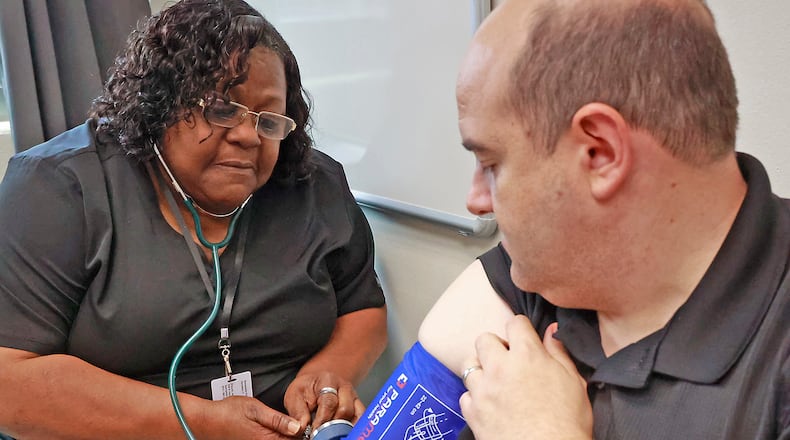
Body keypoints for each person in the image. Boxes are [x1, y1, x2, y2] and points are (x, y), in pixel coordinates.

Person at [0, 1, 387, 439]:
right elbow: (9, 383)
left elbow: (363, 309)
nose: (247, 134)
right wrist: (198, 423)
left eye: (269, 119)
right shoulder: (58, 187)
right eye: (222, 109)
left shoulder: (313, 184)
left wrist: (326, 373)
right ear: (161, 102)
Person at [423, 0, 790, 438]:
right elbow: (408, 397)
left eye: (491, 163)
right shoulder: (553, 267)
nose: (477, 201)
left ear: (601, 153)